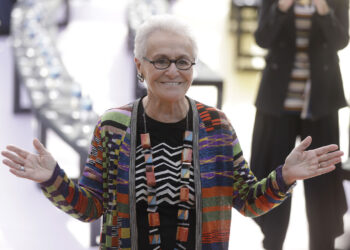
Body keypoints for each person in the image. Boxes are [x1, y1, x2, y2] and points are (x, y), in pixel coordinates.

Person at [1, 14, 344, 250]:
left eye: (183, 61)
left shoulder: (216, 126)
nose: (172, 71)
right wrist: (53, 179)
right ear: (140, 66)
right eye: (160, 60)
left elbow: (248, 202)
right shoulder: (113, 125)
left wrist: (284, 177)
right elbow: (91, 207)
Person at [250, 0, 349, 250]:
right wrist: (282, 6)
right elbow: (262, 38)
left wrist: (323, 7)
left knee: (323, 180)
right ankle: (272, 243)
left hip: (321, 102)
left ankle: (323, 244)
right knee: (276, 176)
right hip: (277, 104)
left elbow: (340, 41)